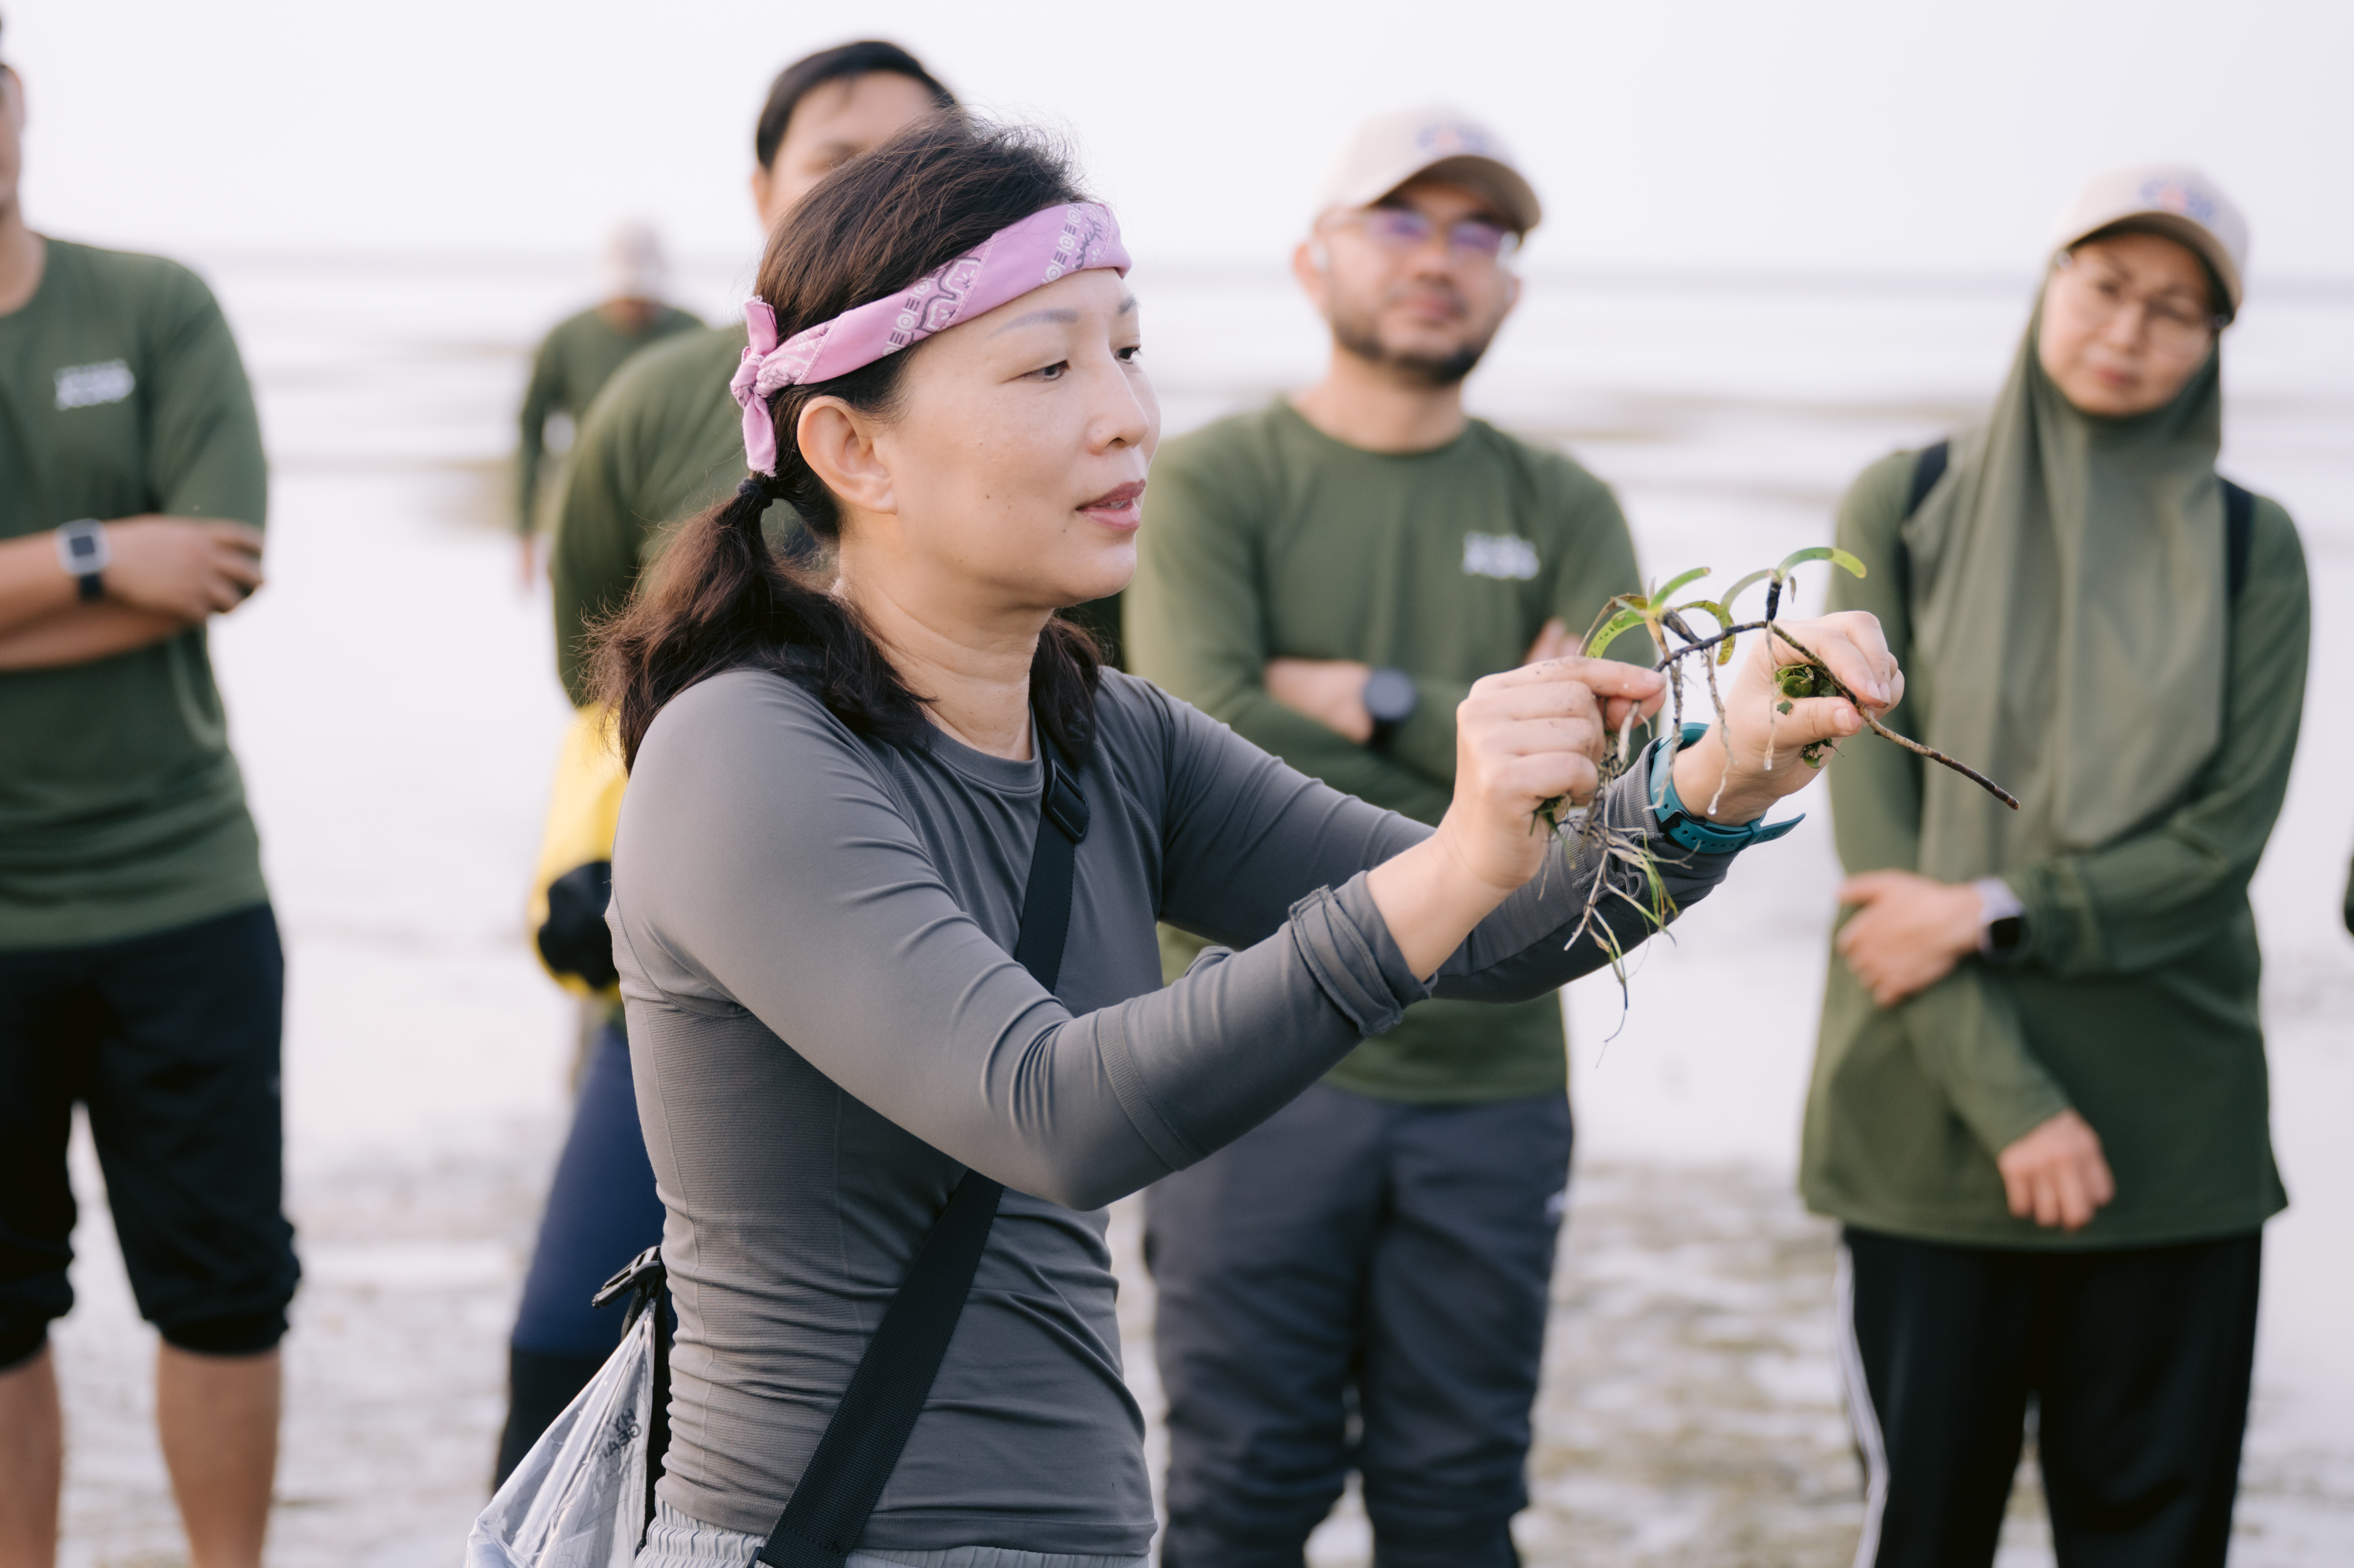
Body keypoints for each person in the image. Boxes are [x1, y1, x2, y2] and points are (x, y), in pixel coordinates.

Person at [595, 114, 1895, 1568]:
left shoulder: (1105, 732)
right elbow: (1054, 1112)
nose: (1128, 416)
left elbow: (1515, 926)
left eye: (1129, 352)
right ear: (849, 446)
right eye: (1048, 366)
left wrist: (1721, 765)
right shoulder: (744, 753)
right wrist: (1459, 853)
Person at [1123, 105, 1641, 1568]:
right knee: (1237, 1499)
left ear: (1514, 286)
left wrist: (1374, 699)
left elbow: (1603, 789)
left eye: (1481, 232)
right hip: (1254, 1064)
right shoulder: (1214, 484)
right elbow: (1199, 755)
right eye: (1403, 221)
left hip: (1490, 1083)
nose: (1441, 259)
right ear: (1314, 260)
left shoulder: (1562, 500)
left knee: (1459, 1504)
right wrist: (1492, 756)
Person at [1803, 165, 2306, 1568]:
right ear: (2049, 283)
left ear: (2214, 343)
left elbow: (2218, 852)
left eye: (2178, 309)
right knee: (1923, 1534)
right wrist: (2017, 1108)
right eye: (2105, 285)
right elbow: (1877, 879)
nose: (2130, 329)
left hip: (2172, 1140)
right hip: (1930, 1133)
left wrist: (1993, 907)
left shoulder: (2255, 548)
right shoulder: (1900, 502)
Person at [491, 38, 962, 1485]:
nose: (877, 186)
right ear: (761, 191)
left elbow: (1089, 679)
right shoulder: (648, 405)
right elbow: (595, 674)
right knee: (575, 1361)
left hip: (925, 975)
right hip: (673, 968)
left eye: (917, 158)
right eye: (835, 161)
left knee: (871, 1392)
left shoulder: (1008, 387)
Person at [0, 24, 293, 1568]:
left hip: (186, 883)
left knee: (226, 1283)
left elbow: (222, 556)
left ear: (17, 102)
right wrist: (104, 554)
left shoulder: (155, 303)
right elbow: (163, 561)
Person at [513, 222, 702, 585]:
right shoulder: (565, 340)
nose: (634, 304)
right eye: (625, 292)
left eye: (641, 292)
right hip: (585, 510)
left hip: (673, 515)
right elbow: (530, 429)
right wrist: (525, 530)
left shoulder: (692, 333)